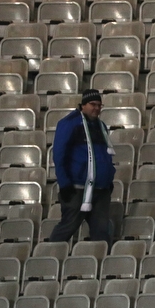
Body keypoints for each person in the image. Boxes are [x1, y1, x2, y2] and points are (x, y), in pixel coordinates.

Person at [48, 89, 116, 244]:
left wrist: (109, 179)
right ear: (83, 105)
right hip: (78, 188)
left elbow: (104, 155)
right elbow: (59, 155)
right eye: (93, 104)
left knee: (101, 232)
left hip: (101, 189)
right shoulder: (70, 124)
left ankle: (99, 264)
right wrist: (65, 184)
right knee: (68, 226)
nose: (97, 108)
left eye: (99, 105)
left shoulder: (101, 126)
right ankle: (46, 258)